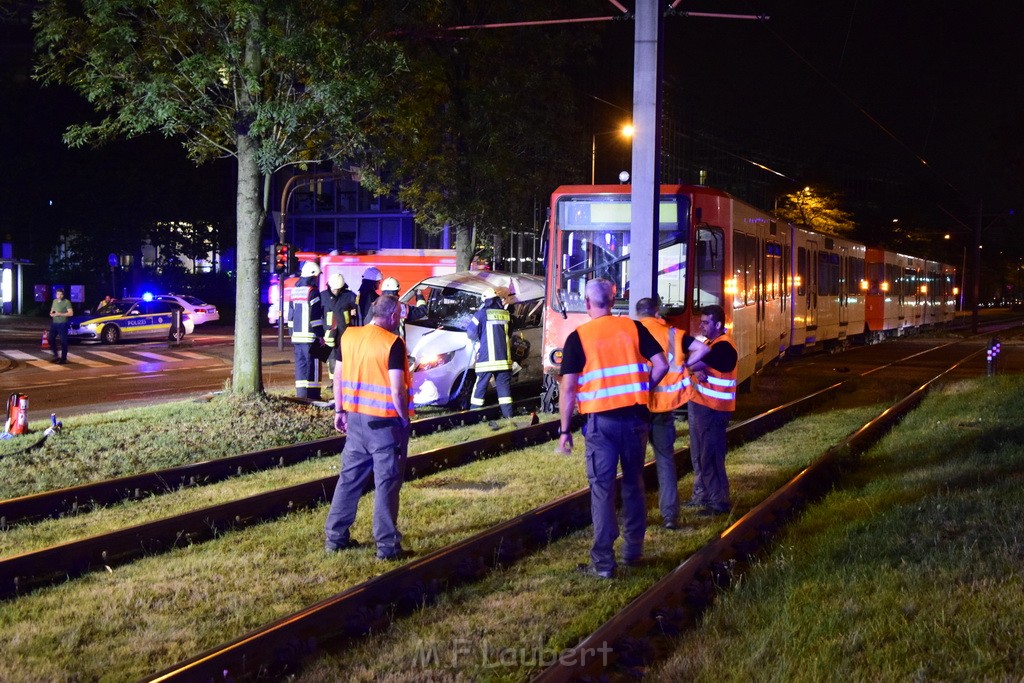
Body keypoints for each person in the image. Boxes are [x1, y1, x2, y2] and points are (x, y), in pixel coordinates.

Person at [558, 278, 667, 579]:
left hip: (600, 424)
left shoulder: (578, 337)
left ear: (587, 302)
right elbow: (661, 365)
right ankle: (633, 550)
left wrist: (564, 430)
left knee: (603, 489)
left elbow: (568, 389)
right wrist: (644, 388)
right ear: (613, 301)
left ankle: (603, 563)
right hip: (635, 419)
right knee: (634, 483)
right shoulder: (634, 328)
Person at [324, 294, 413, 561]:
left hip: (356, 421)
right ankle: (387, 547)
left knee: (349, 480)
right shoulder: (393, 344)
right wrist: (404, 417)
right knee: (386, 483)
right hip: (385, 425)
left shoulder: (349, 336)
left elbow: (338, 376)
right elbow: (397, 389)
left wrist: (340, 410)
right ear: (394, 316)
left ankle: (335, 538)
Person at [635, 297, 708, 529]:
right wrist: (687, 367)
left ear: (638, 313)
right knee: (665, 461)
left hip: (639, 406)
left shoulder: (631, 331)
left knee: (633, 465)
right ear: (657, 312)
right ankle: (670, 516)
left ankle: (638, 517)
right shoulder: (673, 334)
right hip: (665, 406)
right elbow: (702, 348)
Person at [685, 304, 739, 516]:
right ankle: (707, 496)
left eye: (706, 322)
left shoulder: (723, 347)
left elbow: (691, 362)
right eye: (702, 321)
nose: (702, 325)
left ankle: (719, 501)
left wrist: (692, 367)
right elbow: (690, 363)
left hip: (714, 410)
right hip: (704, 408)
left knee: (711, 456)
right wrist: (692, 368)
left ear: (718, 324)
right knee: (702, 455)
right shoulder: (710, 343)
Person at [466, 286, 514, 419]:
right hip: (504, 360)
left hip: (486, 360)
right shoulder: (505, 314)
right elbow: (508, 333)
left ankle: (473, 416)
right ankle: (508, 415)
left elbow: (471, 333)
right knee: (504, 388)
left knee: (480, 386)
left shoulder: (480, 314)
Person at [289, 260, 325, 399]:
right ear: (312, 276)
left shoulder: (295, 291)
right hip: (310, 337)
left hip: (297, 337)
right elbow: (315, 317)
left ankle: (301, 394)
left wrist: (291, 333)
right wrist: (320, 335)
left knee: (301, 365)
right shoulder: (313, 292)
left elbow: (290, 315)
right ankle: (313, 395)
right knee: (314, 366)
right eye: (316, 276)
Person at [321, 272, 358, 382]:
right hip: (328, 334)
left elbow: (359, 310)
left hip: (344, 332)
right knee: (330, 358)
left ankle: (344, 380)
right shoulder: (322, 296)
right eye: (333, 289)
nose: (335, 292)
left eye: (338, 289)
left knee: (344, 357)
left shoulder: (350, 295)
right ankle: (333, 382)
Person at [48, 288, 74, 364]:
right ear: (56, 294)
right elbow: (52, 310)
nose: (59, 296)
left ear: (63, 294)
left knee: (63, 341)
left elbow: (71, 313)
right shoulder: (54, 301)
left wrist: (60, 314)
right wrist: (51, 313)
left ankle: (63, 358)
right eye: (58, 294)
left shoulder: (67, 302)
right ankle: (56, 355)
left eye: (61, 294)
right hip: (54, 323)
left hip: (63, 323)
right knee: (50, 339)